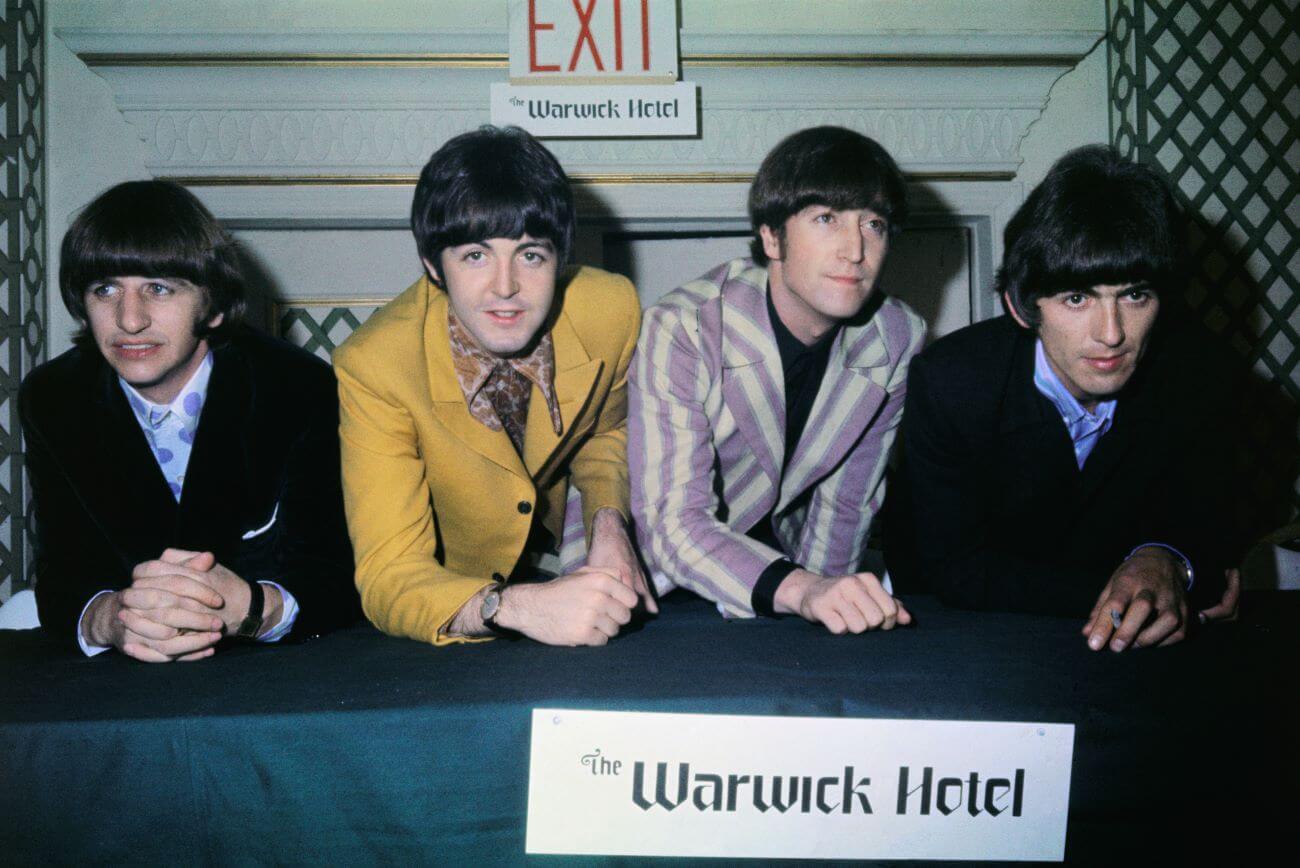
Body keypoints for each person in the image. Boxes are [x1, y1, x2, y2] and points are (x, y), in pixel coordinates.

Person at [886, 145, 1241, 652]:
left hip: (1120, 648)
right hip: (961, 635)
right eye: (1077, 298)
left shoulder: (1200, 375)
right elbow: (955, 570)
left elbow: (1210, 529)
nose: (1111, 334)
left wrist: (1168, 558)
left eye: (1135, 295)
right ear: (1021, 306)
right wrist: (1146, 582)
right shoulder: (952, 382)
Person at [334, 125, 653, 647]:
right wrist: (508, 607)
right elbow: (389, 573)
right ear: (433, 265)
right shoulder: (374, 366)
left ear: (561, 259)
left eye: (530, 255)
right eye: (475, 256)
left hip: (567, 567)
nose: (506, 287)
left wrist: (609, 522)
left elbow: (606, 432)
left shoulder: (612, 309)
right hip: (458, 605)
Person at [21, 180, 360, 660]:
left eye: (158, 289)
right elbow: (62, 577)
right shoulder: (54, 398)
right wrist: (112, 618)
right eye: (106, 289)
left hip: (270, 671)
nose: (130, 319)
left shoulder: (297, 386)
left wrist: (250, 608)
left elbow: (335, 578)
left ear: (215, 306)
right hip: (127, 678)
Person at [629, 126, 926, 633]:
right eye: (826, 219)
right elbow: (672, 522)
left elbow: (848, 502)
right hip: (653, 584)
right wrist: (805, 590)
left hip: (783, 581)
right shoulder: (684, 325)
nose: (854, 250)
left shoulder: (897, 335)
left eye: (873, 224)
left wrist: (829, 602)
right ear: (771, 237)